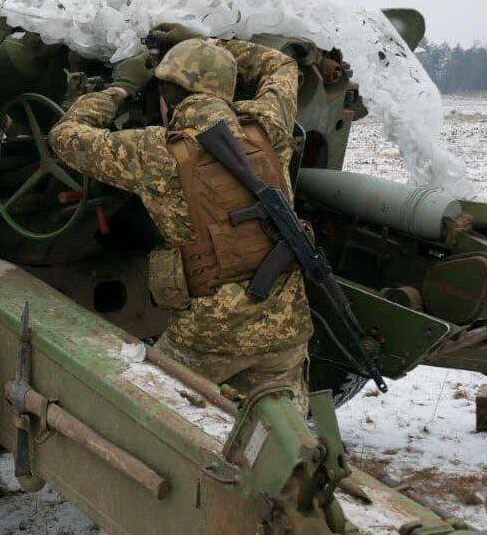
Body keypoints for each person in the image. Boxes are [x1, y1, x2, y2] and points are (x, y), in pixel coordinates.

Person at [47, 26, 313, 414]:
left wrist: (119, 89)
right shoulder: (269, 126)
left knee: (160, 420)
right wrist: (215, 47)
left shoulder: (154, 153)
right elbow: (282, 66)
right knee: (276, 440)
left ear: (166, 102)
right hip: (287, 330)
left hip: (206, 341)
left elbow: (65, 136)